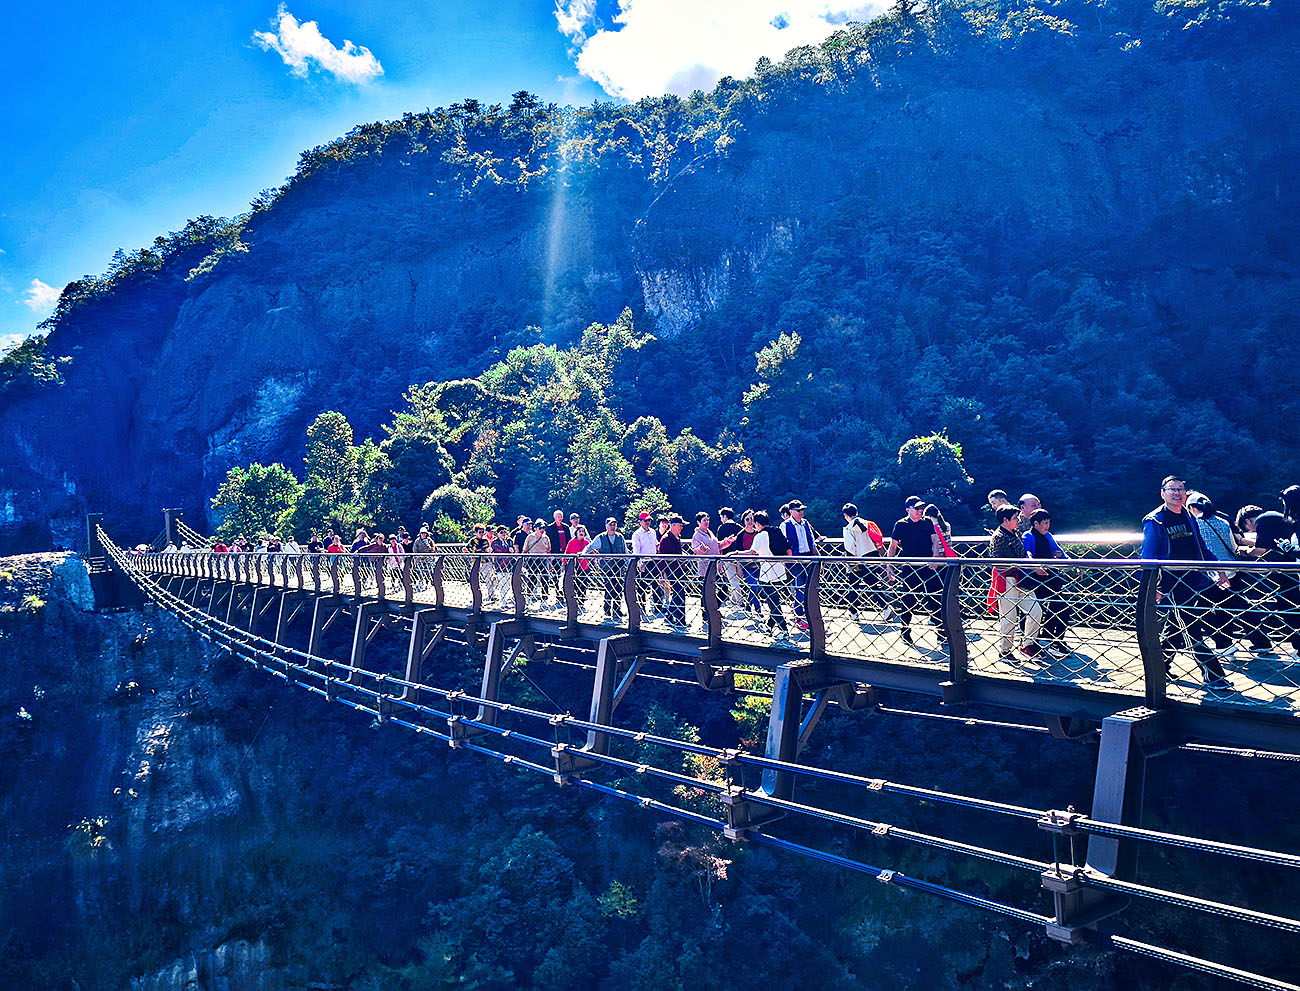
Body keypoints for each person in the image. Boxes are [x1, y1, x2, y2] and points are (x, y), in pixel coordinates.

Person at [1140, 475, 1229, 688]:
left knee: (1176, 626)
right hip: (1170, 584)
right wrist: (1152, 587)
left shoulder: (1189, 516)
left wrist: (1219, 569)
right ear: (1163, 494)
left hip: (1193, 581)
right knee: (1190, 627)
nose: (1177, 493)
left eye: (1180, 489)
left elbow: (1201, 547)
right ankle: (1214, 675)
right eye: (1172, 489)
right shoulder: (1155, 521)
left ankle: (1159, 668)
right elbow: (1148, 557)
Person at [885, 496, 942, 646]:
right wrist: (889, 566)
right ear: (908, 510)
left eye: (921, 508)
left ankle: (942, 633)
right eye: (916, 508)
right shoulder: (901, 524)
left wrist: (935, 557)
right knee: (908, 601)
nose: (920, 511)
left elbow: (935, 540)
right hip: (909, 568)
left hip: (928, 566)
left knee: (935, 599)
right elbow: (893, 546)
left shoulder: (927, 522)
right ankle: (905, 631)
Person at [989, 507, 1043, 660]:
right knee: (1009, 617)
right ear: (1005, 520)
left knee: (1036, 611)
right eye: (1015, 518)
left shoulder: (1015, 532)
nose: (1018, 520)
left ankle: (1027, 644)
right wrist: (1028, 565)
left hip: (1021, 579)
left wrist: (1028, 561)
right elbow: (997, 562)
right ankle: (1005, 650)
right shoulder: (998, 537)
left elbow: (1022, 553)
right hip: (1007, 579)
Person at [1022, 509, 1070, 655]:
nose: (1047, 526)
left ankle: (1055, 640)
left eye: (1049, 523)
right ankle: (1032, 642)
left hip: (1050, 577)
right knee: (1035, 611)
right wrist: (1035, 566)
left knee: (1062, 607)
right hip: (1034, 579)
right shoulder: (1028, 536)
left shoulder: (1048, 535)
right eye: (1045, 523)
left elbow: (1060, 552)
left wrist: (1073, 564)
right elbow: (1027, 555)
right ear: (1036, 523)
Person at [747, 510, 792, 645]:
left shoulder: (760, 536)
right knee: (774, 600)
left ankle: (784, 630)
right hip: (780, 572)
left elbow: (752, 552)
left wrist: (735, 553)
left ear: (757, 523)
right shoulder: (777, 532)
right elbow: (788, 551)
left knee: (773, 603)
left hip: (767, 574)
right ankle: (769, 626)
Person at [842, 502, 886, 621]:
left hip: (858, 560)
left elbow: (850, 548)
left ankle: (853, 613)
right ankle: (886, 607)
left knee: (853, 586)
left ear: (846, 516)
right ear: (857, 513)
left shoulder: (848, 528)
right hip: (873, 557)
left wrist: (850, 565)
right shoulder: (868, 523)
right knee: (873, 584)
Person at [584, 517, 628, 620]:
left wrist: (630, 564)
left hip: (619, 567)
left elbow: (625, 552)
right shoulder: (601, 537)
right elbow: (590, 547)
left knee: (618, 588)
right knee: (609, 588)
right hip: (607, 568)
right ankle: (607, 609)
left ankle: (617, 610)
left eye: (614, 524)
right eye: (610, 525)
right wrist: (583, 553)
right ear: (606, 526)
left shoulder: (620, 537)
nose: (613, 527)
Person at [782, 501, 817, 631]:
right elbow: (784, 544)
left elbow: (811, 541)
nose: (801, 512)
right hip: (795, 559)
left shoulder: (805, 523)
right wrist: (788, 560)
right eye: (798, 510)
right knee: (800, 585)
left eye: (802, 510)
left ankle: (807, 613)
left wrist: (818, 556)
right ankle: (799, 615)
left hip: (808, 556)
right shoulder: (785, 525)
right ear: (791, 511)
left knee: (810, 585)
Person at [691, 511, 721, 633]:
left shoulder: (710, 532)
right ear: (699, 522)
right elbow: (695, 549)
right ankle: (706, 615)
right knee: (705, 594)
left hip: (715, 568)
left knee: (723, 589)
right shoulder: (697, 535)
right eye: (704, 520)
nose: (707, 522)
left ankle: (713, 610)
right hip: (705, 569)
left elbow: (717, 545)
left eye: (708, 520)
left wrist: (726, 542)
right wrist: (701, 549)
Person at [658, 516, 688, 627]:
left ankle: (671, 616)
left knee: (679, 592)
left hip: (679, 569)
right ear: (674, 525)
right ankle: (679, 619)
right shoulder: (666, 539)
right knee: (680, 592)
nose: (682, 528)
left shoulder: (676, 537)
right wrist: (662, 573)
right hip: (671, 570)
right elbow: (662, 558)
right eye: (680, 525)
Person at [631, 511, 660, 615]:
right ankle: (641, 607)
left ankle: (658, 607)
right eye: (645, 520)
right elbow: (636, 550)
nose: (648, 522)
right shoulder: (637, 534)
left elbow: (655, 544)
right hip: (643, 562)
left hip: (653, 561)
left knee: (656, 585)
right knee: (642, 586)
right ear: (640, 522)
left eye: (649, 520)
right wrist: (640, 563)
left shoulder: (652, 532)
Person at [522, 518, 551, 604]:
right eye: (540, 528)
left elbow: (548, 550)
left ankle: (545, 598)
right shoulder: (530, 537)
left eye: (543, 528)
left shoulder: (546, 538)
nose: (542, 530)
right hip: (532, 559)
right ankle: (528, 596)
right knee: (532, 578)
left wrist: (550, 562)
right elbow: (525, 549)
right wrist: (523, 560)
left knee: (545, 578)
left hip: (543, 559)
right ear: (536, 528)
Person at [546, 510, 571, 602]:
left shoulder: (566, 527)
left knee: (566, 573)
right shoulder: (550, 528)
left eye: (561, 516)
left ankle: (566, 592)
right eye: (558, 516)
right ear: (554, 517)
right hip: (555, 553)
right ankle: (557, 593)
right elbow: (549, 541)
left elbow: (569, 540)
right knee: (556, 573)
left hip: (565, 553)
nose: (560, 518)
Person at [565, 524, 592, 605]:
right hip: (574, 567)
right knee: (574, 583)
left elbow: (592, 553)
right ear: (576, 532)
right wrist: (564, 563)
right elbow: (566, 553)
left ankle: (581, 600)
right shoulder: (571, 542)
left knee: (583, 583)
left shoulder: (587, 542)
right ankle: (574, 600)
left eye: (583, 531)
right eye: (580, 531)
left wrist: (595, 562)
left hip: (584, 566)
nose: (581, 532)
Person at [490, 524, 515, 607]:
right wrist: (508, 550)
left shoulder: (510, 540)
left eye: (505, 532)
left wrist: (512, 550)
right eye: (501, 532)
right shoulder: (495, 542)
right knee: (502, 583)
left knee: (508, 584)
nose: (504, 534)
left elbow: (513, 549)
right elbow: (498, 550)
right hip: (500, 565)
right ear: (498, 533)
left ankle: (506, 599)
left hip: (509, 565)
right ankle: (503, 602)